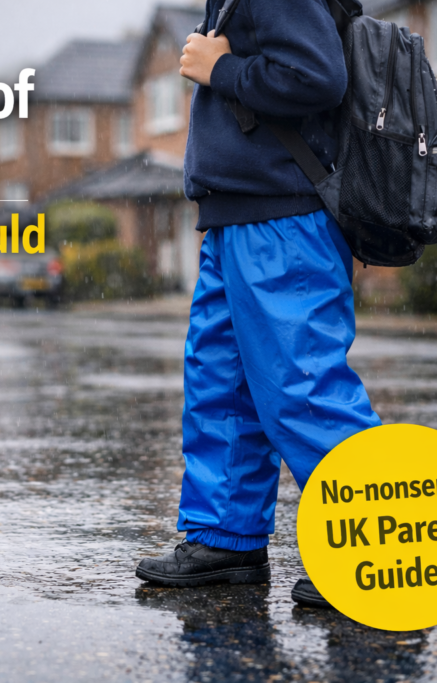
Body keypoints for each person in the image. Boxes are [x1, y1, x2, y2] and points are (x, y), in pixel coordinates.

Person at [135, 0, 381, 606]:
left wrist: (222, 71)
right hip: (236, 216)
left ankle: (373, 552)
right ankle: (227, 539)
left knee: (302, 389)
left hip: (283, 219)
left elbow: (316, 75)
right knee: (225, 382)